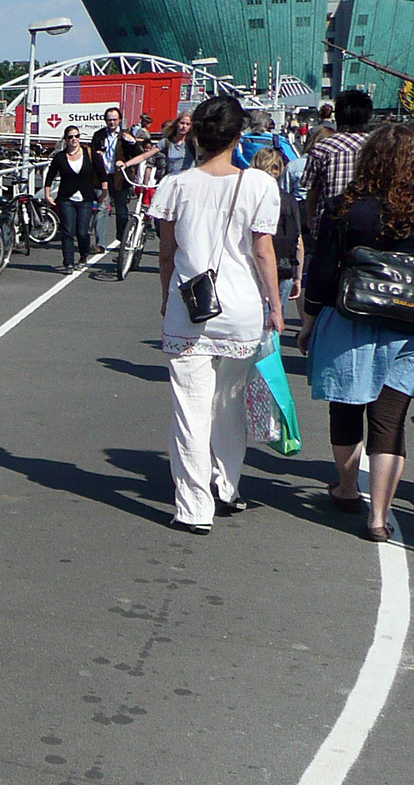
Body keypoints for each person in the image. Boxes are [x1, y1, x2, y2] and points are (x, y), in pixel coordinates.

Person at [300, 123, 414, 541]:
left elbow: (322, 270)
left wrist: (310, 319)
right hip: (411, 326)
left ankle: (349, 488)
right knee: (390, 420)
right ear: (413, 161)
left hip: (350, 319)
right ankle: (378, 518)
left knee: (346, 408)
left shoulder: (344, 206)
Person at [149, 94, 283, 535]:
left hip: (191, 307)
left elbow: (168, 255)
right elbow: (263, 252)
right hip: (242, 307)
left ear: (198, 136)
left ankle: (193, 506)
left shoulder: (175, 186)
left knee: (190, 408)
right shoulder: (260, 185)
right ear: (238, 135)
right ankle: (227, 485)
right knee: (229, 403)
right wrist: (276, 306)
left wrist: (166, 296)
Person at [302, 89, 373, 251]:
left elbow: (312, 192)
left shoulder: (322, 149)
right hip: (368, 227)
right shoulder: (377, 146)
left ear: (338, 116)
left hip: (327, 227)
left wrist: (311, 221)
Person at [248, 147, 302, 319]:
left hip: (252, 264)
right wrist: (297, 277)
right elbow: (298, 240)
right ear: (279, 171)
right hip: (283, 265)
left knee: (255, 316)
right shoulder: (288, 200)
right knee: (276, 315)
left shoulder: (248, 197)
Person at [42, 125, 96, 270]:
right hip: (66, 198)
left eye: (76, 136)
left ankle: (84, 255)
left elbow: (100, 171)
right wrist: (47, 194)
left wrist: (104, 190)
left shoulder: (88, 153)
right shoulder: (60, 157)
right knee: (68, 231)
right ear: (66, 139)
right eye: (70, 137)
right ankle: (68, 262)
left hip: (85, 197)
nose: (74, 139)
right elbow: (50, 176)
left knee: (82, 232)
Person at [92, 106, 149, 244]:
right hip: (103, 176)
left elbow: (137, 155)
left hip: (120, 177)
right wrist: (98, 154)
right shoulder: (99, 135)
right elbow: (93, 153)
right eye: (109, 120)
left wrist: (133, 143)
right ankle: (101, 243)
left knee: (121, 210)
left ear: (119, 120)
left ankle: (122, 238)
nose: (111, 122)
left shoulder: (125, 136)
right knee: (102, 209)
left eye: (114, 119)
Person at [154, 112, 198, 180]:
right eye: (182, 123)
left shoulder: (193, 143)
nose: (184, 126)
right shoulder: (167, 142)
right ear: (177, 123)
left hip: (189, 182)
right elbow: (144, 156)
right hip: (172, 181)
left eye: (188, 124)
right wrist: (131, 163)